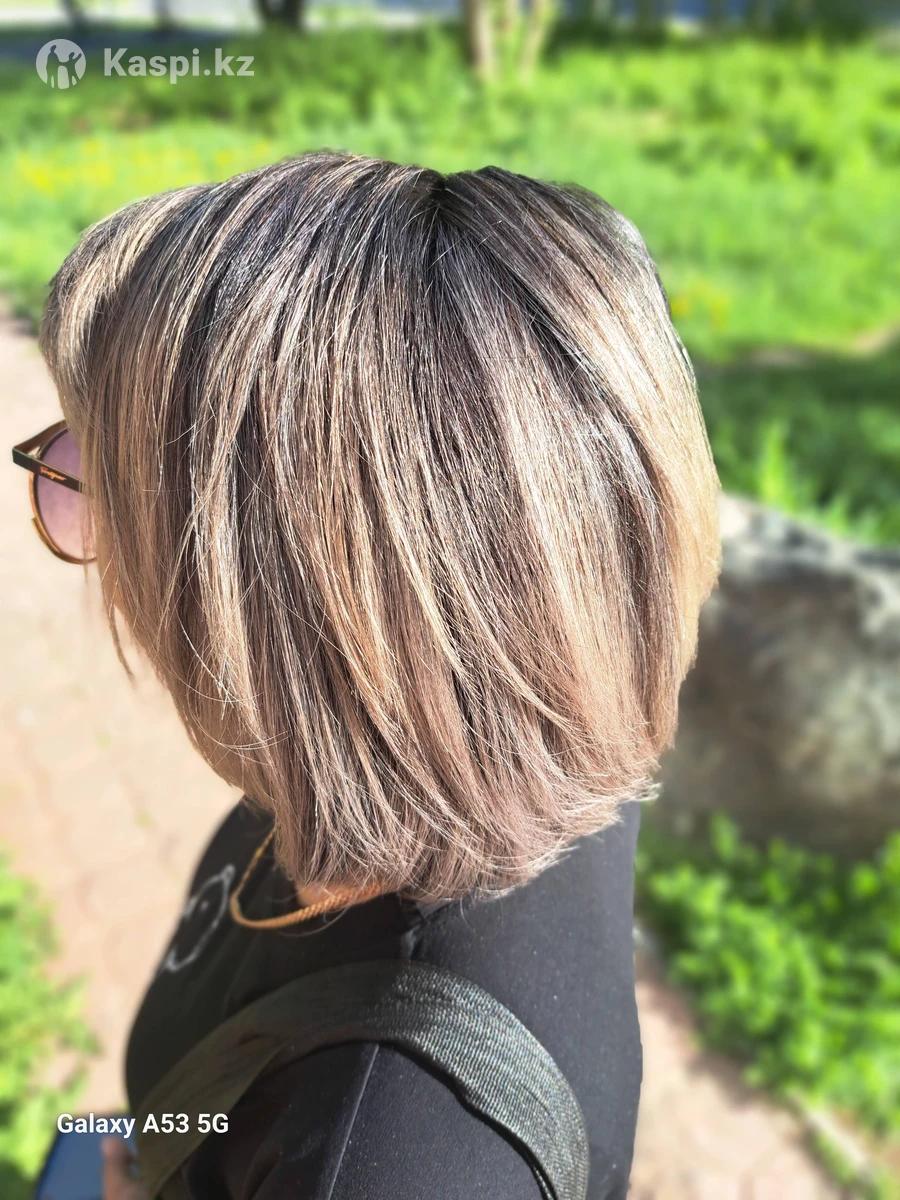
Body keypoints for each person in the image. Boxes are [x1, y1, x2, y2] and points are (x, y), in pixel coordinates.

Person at [23, 152, 720, 1198]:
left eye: (100, 479)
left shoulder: (392, 1160)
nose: (74, 513)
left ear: (278, 614)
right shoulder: (517, 743)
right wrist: (150, 1147)